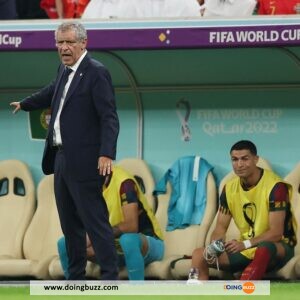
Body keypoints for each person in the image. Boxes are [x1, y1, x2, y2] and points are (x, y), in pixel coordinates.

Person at [10, 21, 120, 280]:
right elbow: (51, 92)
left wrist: (106, 154)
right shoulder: (64, 69)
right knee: (69, 224)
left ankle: (110, 277)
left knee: (95, 222)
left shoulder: (96, 72)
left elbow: (109, 117)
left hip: (85, 161)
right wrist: (26, 104)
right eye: (60, 42)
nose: (64, 47)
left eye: (70, 42)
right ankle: (76, 278)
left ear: (84, 43)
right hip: (60, 158)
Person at [188, 140, 297, 281]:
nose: (239, 164)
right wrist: (216, 245)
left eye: (245, 159)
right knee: (198, 254)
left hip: (278, 247)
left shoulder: (276, 187)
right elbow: (220, 229)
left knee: (265, 247)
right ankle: (196, 294)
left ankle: (243, 292)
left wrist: (244, 244)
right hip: (247, 247)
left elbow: (276, 234)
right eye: (235, 159)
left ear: (256, 159)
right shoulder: (229, 189)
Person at [57, 165, 164, 280]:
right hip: (113, 248)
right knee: (65, 243)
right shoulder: (87, 187)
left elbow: (131, 226)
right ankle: (73, 292)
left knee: (128, 240)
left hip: (145, 245)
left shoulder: (125, 183)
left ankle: (137, 293)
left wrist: (95, 236)